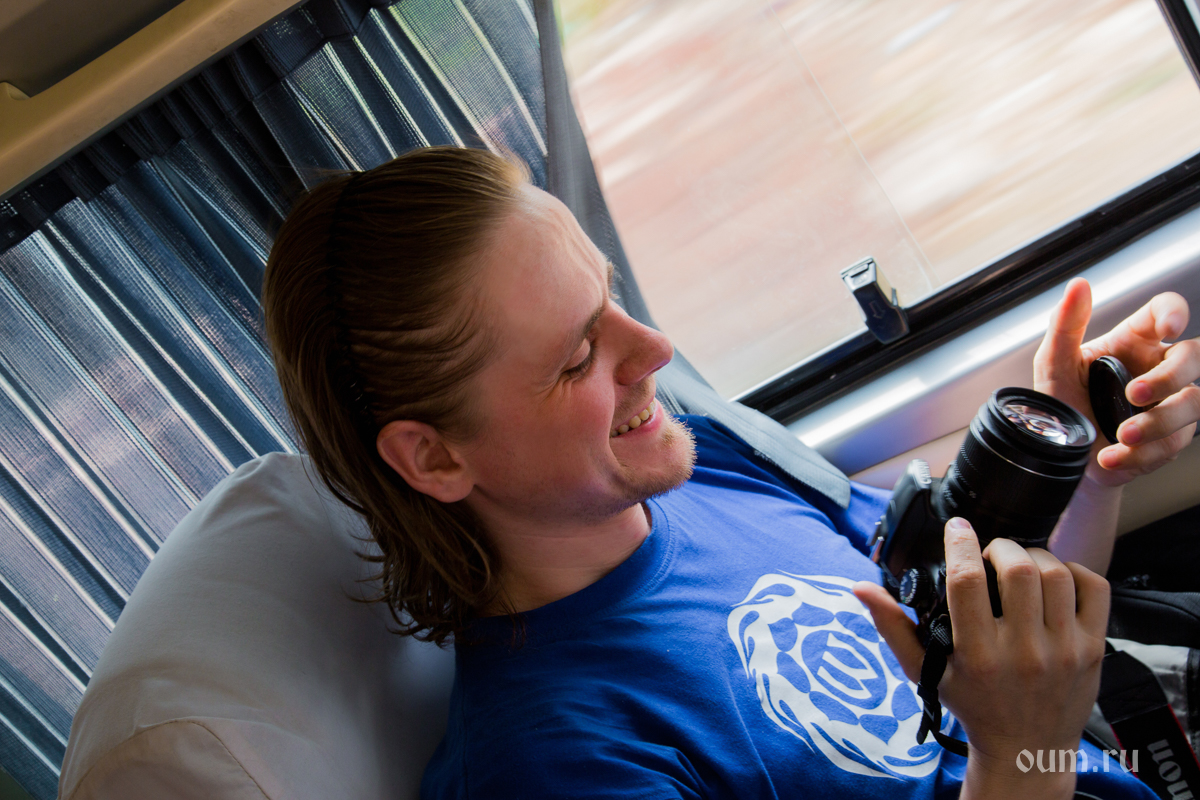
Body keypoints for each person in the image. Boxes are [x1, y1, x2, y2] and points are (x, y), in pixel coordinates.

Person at [262, 146, 1200, 799]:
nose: (655, 349)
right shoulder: (552, 767)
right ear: (436, 457)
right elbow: (1024, 727)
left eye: (611, 295)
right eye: (578, 357)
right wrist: (1024, 756)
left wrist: (1083, 469)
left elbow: (992, 640)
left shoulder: (708, 466)